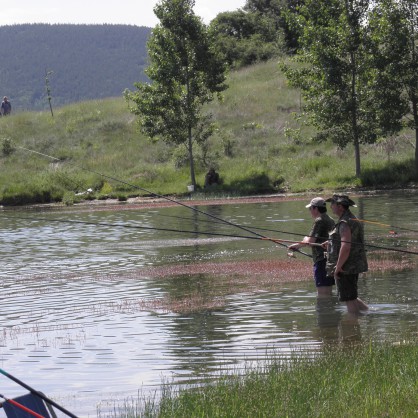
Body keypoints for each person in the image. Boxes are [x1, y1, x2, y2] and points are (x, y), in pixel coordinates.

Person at [324, 194, 369, 314]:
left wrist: (338, 267)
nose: (331, 207)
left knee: (349, 299)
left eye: (332, 204)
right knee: (352, 297)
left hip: (346, 267)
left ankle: (352, 326)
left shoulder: (344, 222)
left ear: (340, 207)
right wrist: (331, 243)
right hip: (352, 264)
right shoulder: (351, 218)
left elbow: (346, 246)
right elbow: (346, 242)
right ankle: (369, 312)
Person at [289, 197, 335, 296]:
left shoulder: (319, 220)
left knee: (322, 295)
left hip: (321, 261)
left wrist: (301, 242)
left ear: (315, 208)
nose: (310, 211)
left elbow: (310, 242)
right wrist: (298, 245)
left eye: (310, 208)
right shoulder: (331, 220)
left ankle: (323, 311)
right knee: (328, 293)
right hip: (330, 260)